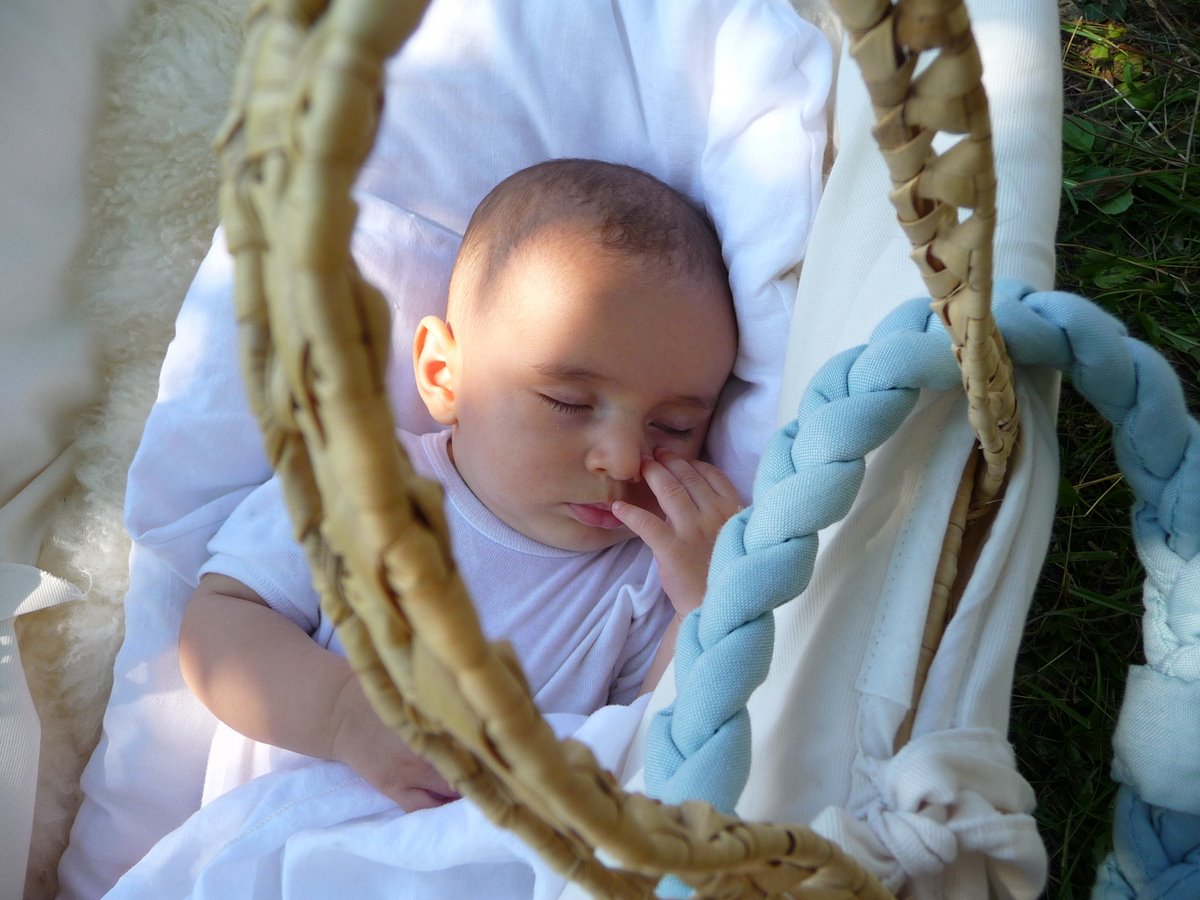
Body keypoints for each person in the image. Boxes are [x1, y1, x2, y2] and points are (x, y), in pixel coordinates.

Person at [178, 158, 741, 816]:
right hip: (284, 837)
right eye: (568, 402)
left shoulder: (644, 577)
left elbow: (646, 752)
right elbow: (219, 623)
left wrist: (706, 601)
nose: (621, 457)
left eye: (674, 427)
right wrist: (342, 714)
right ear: (444, 376)